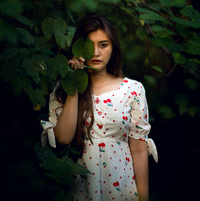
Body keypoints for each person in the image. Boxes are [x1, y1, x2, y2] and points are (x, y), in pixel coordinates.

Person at [41, 13, 158, 201]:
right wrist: (74, 84)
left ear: (113, 48)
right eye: (89, 45)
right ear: (79, 47)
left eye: (103, 45)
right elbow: (63, 138)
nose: (95, 53)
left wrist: (143, 198)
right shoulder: (65, 88)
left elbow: (138, 149)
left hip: (122, 184)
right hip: (81, 185)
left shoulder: (133, 89)